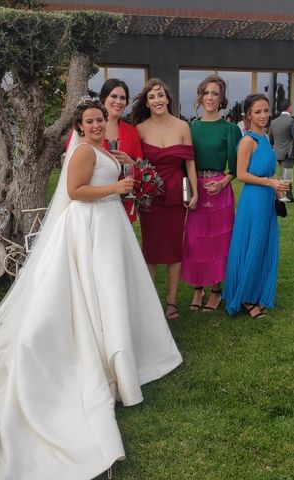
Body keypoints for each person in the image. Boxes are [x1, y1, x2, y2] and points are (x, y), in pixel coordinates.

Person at [0, 99, 183, 478]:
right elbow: (76, 190)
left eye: (101, 119)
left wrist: (124, 166)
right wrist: (116, 184)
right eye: (90, 121)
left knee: (113, 291)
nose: (97, 125)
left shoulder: (103, 148)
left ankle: (120, 346)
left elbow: (112, 167)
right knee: (91, 289)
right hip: (89, 228)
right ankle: (98, 349)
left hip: (109, 225)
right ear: (80, 127)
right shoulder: (84, 151)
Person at [130, 78, 198, 321]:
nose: (157, 100)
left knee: (173, 249)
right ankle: (149, 303)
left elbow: (190, 161)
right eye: (152, 97)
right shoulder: (140, 129)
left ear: (167, 98)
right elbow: (136, 163)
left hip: (175, 195)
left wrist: (194, 191)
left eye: (160, 95)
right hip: (150, 199)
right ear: (147, 103)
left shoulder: (182, 126)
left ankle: (171, 302)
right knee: (150, 249)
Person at [223, 93, 288, 319]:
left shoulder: (265, 139)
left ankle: (256, 291)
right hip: (253, 200)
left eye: (266, 111)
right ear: (248, 115)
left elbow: (269, 171)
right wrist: (269, 182)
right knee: (252, 244)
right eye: (258, 111)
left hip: (267, 199)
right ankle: (246, 298)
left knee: (263, 246)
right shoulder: (248, 140)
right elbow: (240, 174)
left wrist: (278, 189)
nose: (263, 115)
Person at [182, 75, 242, 313]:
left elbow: (237, 166)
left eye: (215, 93)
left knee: (218, 242)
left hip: (219, 190)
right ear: (200, 96)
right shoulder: (191, 127)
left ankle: (216, 290)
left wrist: (223, 181)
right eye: (206, 93)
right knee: (195, 240)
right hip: (197, 188)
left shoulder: (229, 129)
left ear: (221, 98)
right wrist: (189, 190)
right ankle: (198, 288)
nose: (210, 98)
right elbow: (184, 163)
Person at [66, 78, 141, 222]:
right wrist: (114, 188)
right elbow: (75, 180)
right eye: (114, 96)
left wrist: (130, 162)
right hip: (92, 211)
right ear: (103, 98)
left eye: (123, 98)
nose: (118, 101)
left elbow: (140, 167)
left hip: (118, 205)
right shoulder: (82, 141)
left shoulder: (131, 132)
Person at [269, 98, 294, 202]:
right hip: (287, 152)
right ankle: (281, 197)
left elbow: (270, 137)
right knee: (286, 175)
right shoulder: (291, 120)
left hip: (277, 151)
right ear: (289, 107)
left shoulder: (273, 122)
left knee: (286, 174)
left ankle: (289, 195)